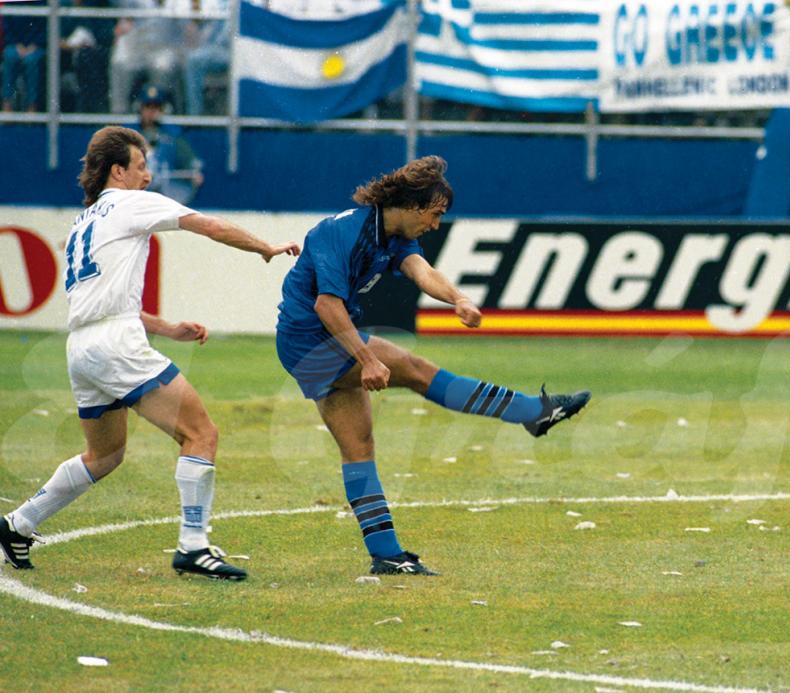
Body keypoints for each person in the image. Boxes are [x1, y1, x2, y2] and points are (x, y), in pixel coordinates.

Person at [0, 126, 300, 577]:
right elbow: (209, 225)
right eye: (142, 167)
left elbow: (103, 303)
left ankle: (17, 525)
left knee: (105, 455)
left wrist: (167, 328)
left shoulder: (84, 221)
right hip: (115, 344)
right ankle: (194, 546)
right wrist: (265, 247)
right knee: (200, 434)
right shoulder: (131, 202)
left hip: (82, 347)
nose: (148, 176)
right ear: (118, 171)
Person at [275, 155, 590, 577]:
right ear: (412, 205)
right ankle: (532, 412)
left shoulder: (391, 235)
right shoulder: (342, 232)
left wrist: (458, 299)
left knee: (359, 448)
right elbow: (326, 304)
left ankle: (386, 554)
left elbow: (422, 271)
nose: (437, 224)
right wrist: (367, 360)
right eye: (436, 214)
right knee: (415, 369)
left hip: (320, 340)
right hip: (311, 340)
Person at [136, 85, 202, 204]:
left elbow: (191, 164)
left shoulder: (173, 135)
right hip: (134, 197)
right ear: (140, 109)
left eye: (156, 107)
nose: (151, 112)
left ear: (162, 110)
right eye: (147, 107)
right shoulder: (127, 134)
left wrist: (193, 173)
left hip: (165, 196)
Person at [1, 0, 46, 112]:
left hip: (36, 46)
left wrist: (34, 44)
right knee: (9, 56)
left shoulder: (41, 2)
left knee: (32, 61)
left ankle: (32, 106)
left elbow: (45, 27)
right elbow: (7, 27)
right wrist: (17, 44)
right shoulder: (11, 2)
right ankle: (7, 104)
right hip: (15, 45)